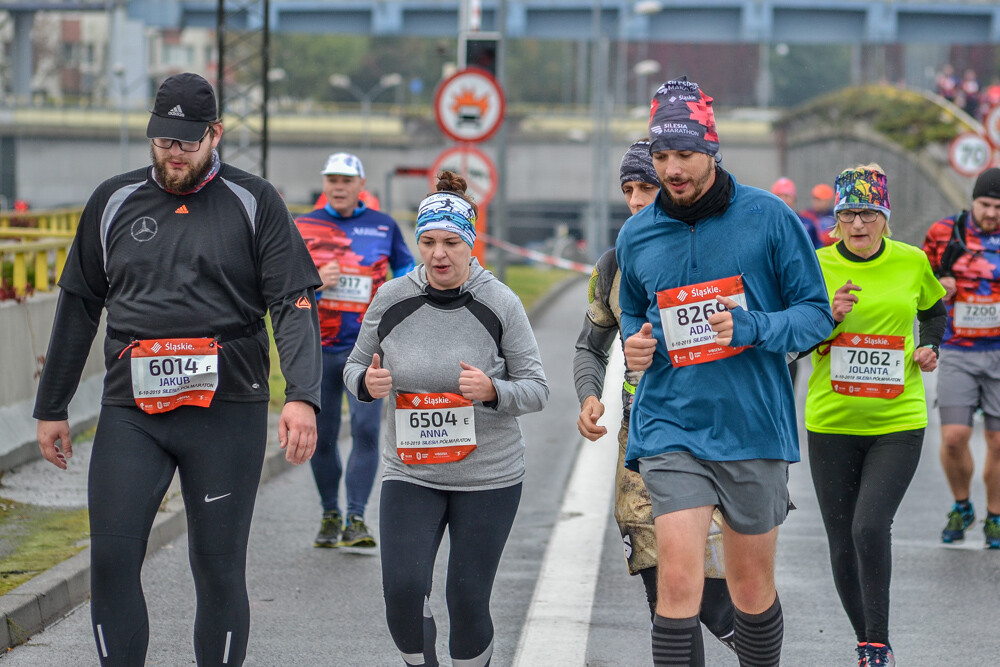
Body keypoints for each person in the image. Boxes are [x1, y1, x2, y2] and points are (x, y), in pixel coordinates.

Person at [32, 72, 322, 666]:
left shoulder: (254, 201)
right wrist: (52, 406)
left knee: (216, 568)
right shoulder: (113, 200)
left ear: (215, 134)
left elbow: (292, 303)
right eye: (164, 141)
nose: (175, 154)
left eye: (188, 142)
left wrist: (301, 395)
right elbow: (80, 304)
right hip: (133, 410)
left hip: (227, 411)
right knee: (112, 560)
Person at [615, 78, 833, 667]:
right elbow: (633, 315)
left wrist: (753, 328)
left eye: (684, 154)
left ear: (711, 150)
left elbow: (815, 316)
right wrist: (635, 346)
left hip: (751, 424)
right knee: (678, 584)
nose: (672, 169)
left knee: (750, 589)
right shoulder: (637, 234)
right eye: (661, 156)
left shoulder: (770, 217)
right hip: (670, 425)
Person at [344, 171, 548, 667]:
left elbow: (537, 389)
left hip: (488, 476)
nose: (439, 254)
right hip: (411, 471)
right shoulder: (392, 298)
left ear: (470, 246)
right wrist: (366, 386)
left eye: (452, 243)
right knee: (403, 594)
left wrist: (493, 390)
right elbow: (354, 365)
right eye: (429, 242)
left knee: (466, 598)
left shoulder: (499, 302)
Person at [574, 139, 736, 650]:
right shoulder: (613, 262)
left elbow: (781, 342)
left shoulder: (719, 250)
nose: (639, 200)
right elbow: (589, 346)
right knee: (663, 599)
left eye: (648, 187)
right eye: (629, 189)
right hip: (641, 440)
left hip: (715, 436)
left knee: (713, 600)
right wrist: (588, 395)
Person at [805, 165, 946, 667]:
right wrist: (830, 317)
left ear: (886, 217)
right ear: (835, 221)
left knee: (869, 527)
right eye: (847, 214)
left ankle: (878, 641)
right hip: (831, 422)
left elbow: (934, 311)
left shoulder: (912, 262)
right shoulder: (814, 264)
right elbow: (792, 341)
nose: (857, 224)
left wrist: (929, 346)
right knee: (841, 540)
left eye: (867, 213)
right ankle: (866, 640)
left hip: (897, 422)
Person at [295, 152, 414, 548]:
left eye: (347, 180)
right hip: (319, 350)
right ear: (324, 185)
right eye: (332, 180)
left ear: (362, 185)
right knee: (324, 437)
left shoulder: (383, 226)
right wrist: (313, 280)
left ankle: (356, 518)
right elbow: (277, 283)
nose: (339, 187)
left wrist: (391, 299)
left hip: (366, 353)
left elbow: (408, 275)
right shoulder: (303, 225)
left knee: (366, 431)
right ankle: (330, 514)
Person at [922, 167, 1000, 549]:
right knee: (954, 437)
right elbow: (918, 284)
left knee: (998, 442)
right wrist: (939, 286)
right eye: (986, 204)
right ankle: (962, 505)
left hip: (999, 353)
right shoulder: (943, 233)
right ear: (973, 201)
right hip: (957, 350)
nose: (992, 213)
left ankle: (996, 516)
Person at [771, 177, 822, 250]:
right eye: (779, 196)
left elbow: (817, 250)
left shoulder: (807, 224)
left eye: (786, 196)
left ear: (794, 198)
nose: (782, 200)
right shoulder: (767, 224)